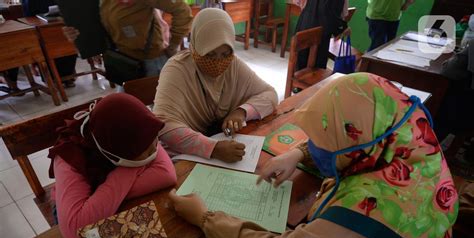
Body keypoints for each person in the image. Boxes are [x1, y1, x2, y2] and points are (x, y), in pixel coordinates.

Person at [169, 73, 459, 238]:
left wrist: (205, 218)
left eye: (321, 141)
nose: (315, 145)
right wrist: (298, 153)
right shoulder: (410, 139)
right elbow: (345, 144)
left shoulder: (366, 213)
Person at [48, 93, 177, 238]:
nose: (154, 150)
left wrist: (100, 199)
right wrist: (132, 169)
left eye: (154, 140)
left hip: (100, 199)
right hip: (69, 207)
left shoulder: (133, 129)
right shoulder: (69, 156)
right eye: (145, 151)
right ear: (119, 155)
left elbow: (166, 174)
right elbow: (76, 235)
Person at [153, 8, 278, 163]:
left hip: (218, 141)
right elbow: (163, 126)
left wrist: (241, 112)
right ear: (196, 46)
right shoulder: (177, 69)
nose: (218, 63)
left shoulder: (233, 64)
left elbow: (270, 94)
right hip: (182, 154)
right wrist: (213, 148)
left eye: (225, 54)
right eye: (210, 54)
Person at [62, 0, 192, 76]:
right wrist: (78, 35)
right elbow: (101, 24)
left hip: (152, 61)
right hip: (124, 61)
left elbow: (182, 10)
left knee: (159, 115)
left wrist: (174, 44)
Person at [435, 40, 474, 162]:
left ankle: (430, 149)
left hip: (463, 95)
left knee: (446, 118)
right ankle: (447, 150)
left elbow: (448, 70)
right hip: (463, 92)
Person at [294, 0, 350, 70]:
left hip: (306, 24)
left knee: (301, 62)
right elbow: (337, 14)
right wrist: (342, 29)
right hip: (320, 30)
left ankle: (298, 76)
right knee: (315, 64)